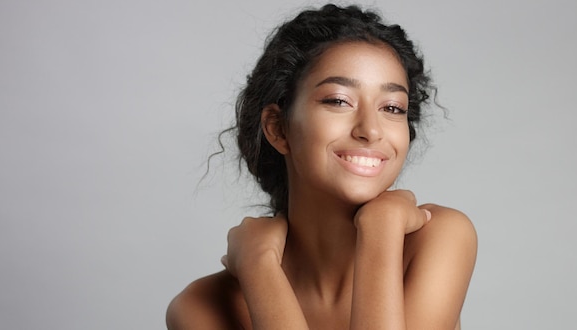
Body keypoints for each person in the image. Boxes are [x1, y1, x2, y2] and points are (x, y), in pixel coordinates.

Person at [167, 3, 477, 329]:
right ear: (278, 128)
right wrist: (261, 269)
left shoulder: (439, 238)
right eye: (339, 101)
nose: (370, 130)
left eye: (392, 107)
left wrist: (381, 229)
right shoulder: (200, 308)